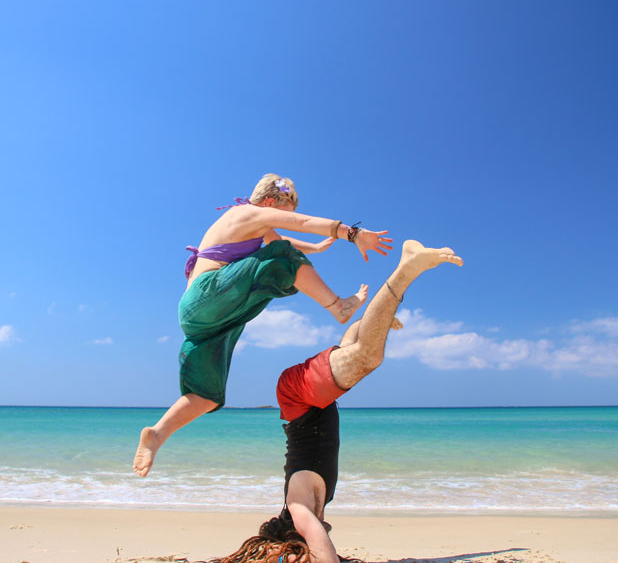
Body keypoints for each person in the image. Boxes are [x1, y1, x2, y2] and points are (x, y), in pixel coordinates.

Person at [211, 240, 463, 563]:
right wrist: (374, 322)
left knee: (368, 357)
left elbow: (319, 546)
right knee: (356, 354)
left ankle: (406, 268)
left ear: (292, 537)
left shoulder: (298, 508)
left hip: (295, 397)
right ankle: (375, 314)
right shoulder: (320, 499)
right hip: (310, 401)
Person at [133, 173, 393, 478]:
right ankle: (338, 306)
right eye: (286, 211)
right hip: (209, 297)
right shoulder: (245, 213)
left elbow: (284, 240)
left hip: (204, 318)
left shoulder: (255, 228)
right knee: (281, 259)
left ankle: (157, 434)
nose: (287, 218)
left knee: (207, 395)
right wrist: (352, 234)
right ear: (270, 202)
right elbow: (301, 227)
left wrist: (318, 248)